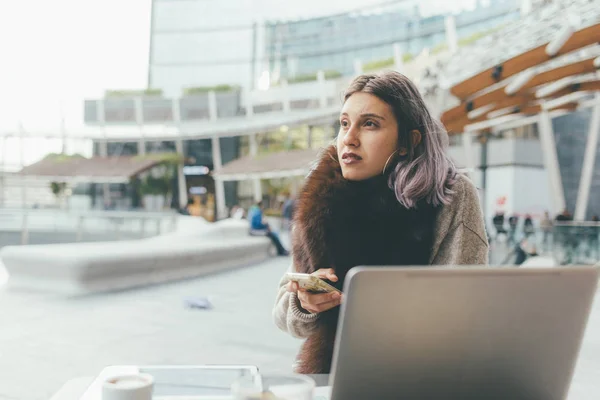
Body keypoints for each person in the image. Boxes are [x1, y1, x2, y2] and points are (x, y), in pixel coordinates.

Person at [273, 71, 489, 374]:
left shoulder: (449, 194)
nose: (349, 138)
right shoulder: (320, 201)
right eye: (344, 124)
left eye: (370, 124)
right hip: (334, 377)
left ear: (407, 140)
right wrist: (304, 304)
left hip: (422, 378)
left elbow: (462, 311)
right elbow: (285, 317)